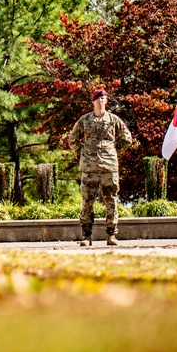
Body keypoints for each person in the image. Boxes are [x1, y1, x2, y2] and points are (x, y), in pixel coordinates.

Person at [67, 88, 133, 247]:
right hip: (89, 168)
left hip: (109, 167)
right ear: (93, 102)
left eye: (103, 98)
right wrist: (83, 151)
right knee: (87, 202)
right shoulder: (84, 120)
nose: (101, 101)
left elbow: (127, 139)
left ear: (107, 101)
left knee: (111, 201)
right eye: (98, 99)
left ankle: (111, 235)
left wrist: (113, 149)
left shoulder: (114, 119)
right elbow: (72, 139)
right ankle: (86, 236)